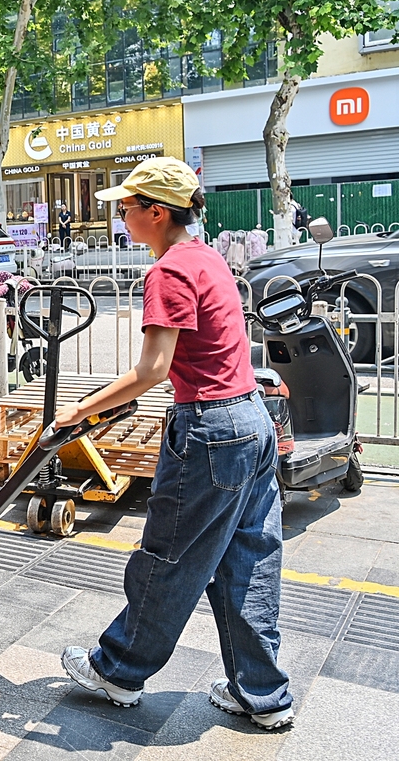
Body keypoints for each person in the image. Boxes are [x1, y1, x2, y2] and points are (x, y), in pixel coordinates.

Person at [54, 158, 293, 730]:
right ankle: (261, 693)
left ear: (157, 212)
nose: (121, 216)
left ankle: (118, 668)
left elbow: (153, 369)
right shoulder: (208, 259)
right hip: (252, 421)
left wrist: (80, 409)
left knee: (168, 557)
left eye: (128, 206)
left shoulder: (167, 273)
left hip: (210, 430)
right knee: (250, 560)